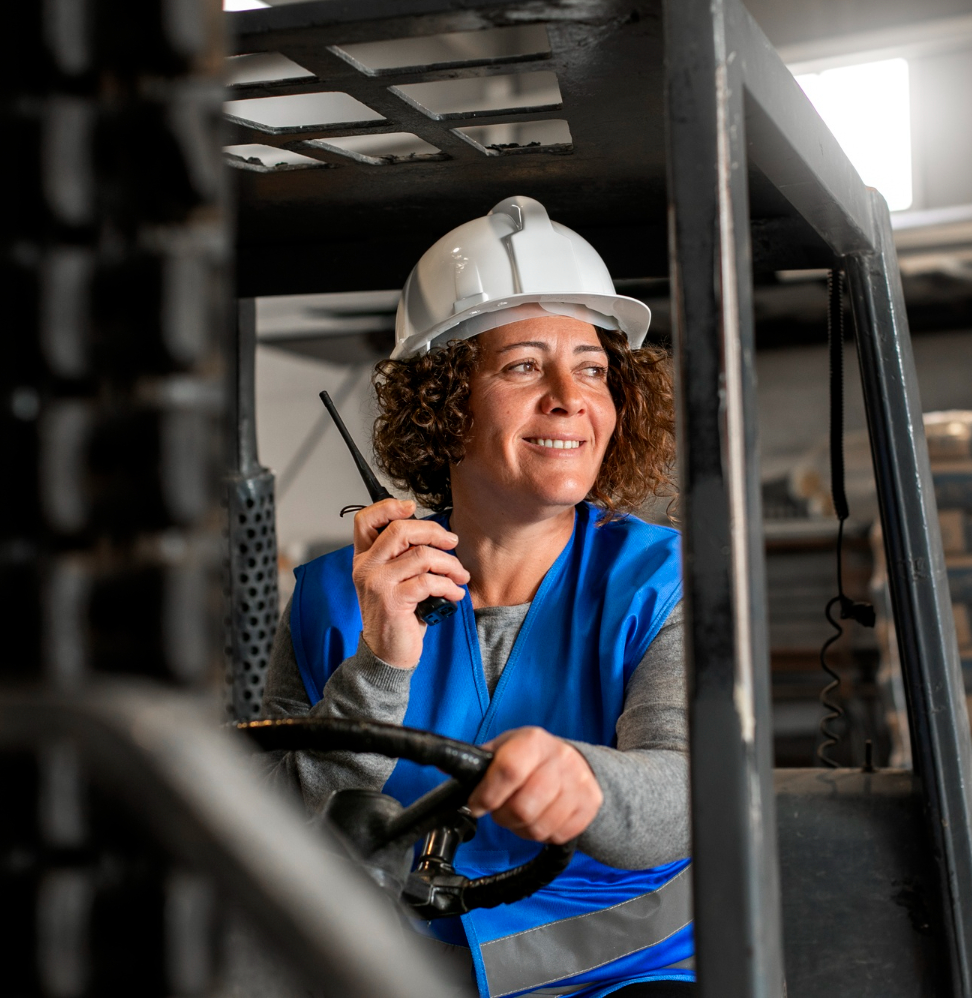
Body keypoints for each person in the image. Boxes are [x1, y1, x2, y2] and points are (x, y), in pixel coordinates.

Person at [265, 196, 692, 998]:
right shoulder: (335, 598)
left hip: (626, 976)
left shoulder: (661, 581)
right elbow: (270, 829)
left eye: (593, 368)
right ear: (444, 402)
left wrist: (585, 783)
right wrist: (380, 668)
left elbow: (686, 791)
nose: (569, 396)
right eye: (524, 365)